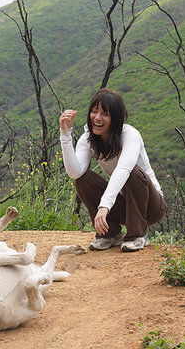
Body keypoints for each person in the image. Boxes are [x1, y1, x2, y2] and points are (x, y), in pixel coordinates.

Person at [59, 88, 166, 252]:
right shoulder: (88, 139)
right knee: (83, 178)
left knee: (132, 172)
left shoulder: (130, 135)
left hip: (150, 207)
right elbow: (75, 173)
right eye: (94, 112)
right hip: (122, 206)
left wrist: (104, 207)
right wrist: (65, 134)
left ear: (115, 119)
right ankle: (110, 234)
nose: (97, 118)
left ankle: (137, 235)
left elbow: (123, 169)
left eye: (105, 114)